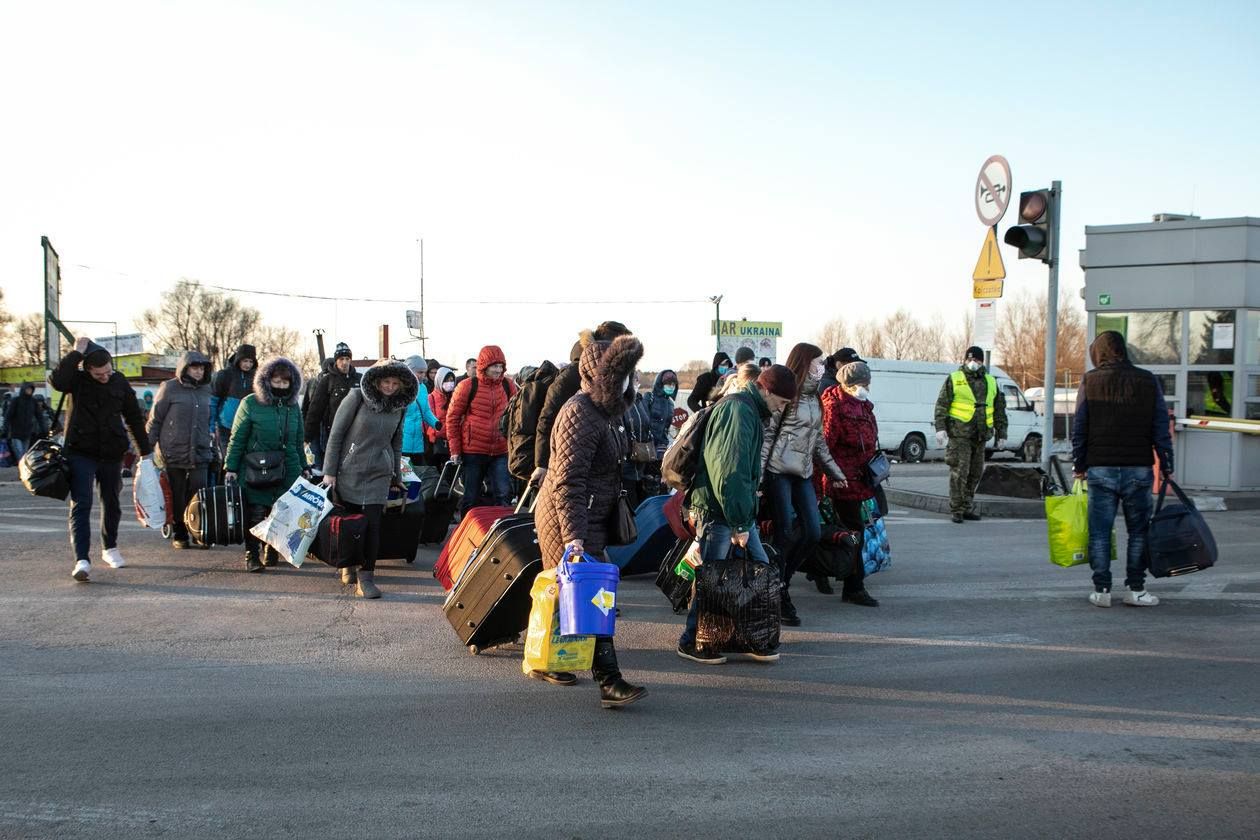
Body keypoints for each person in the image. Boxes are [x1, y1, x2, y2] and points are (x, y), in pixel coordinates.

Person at [534, 336, 648, 707]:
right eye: (626, 375)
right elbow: (568, 481)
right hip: (568, 520)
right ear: (605, 376)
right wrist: (575, 539)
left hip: (587, 517)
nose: (632, 381)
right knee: (593, 597)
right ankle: (609, 681)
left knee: (567, 596)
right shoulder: (580, 412)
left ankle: (545, 657)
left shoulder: (605, 413)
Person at [677, 364, 797, 665]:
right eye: (781, 402)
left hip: (730, 509)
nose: (781, 410)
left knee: (755, 568)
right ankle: (692, 640)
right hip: (722, 511)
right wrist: (740, 522)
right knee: (714, 577)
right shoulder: (739, 412)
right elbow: (729, 472)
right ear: (766, 389)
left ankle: (747, 635)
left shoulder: (744, 408)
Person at [1072, 331, 1173, 608]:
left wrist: (1078, 465)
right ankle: (1135, 589)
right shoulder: (1147, 380)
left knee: (1100, 533)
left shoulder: (1090, 380)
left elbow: (1080, 427)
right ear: (1123, 350)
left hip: (1100, 469)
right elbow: (1160, 427)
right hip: (1138, 469)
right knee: (1138, 532)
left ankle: (1102, 590)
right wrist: (1167, 464)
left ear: (1100, 353)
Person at [50, 338, 152, 582]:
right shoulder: (77, 381)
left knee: (112, 501)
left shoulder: (119, 382)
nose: (105, 376)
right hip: (80, 451)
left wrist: (145, 452)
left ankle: (110, 547)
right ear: (87, 369)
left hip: (111, 452)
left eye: (108, 371)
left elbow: (134, 418)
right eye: (99, 374)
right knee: (81, 504)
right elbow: (58, 381)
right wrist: (76, 353)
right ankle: (82, 559)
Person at [761, 343, 848, 625]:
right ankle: (777, 594)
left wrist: (835, 473)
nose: (822, 367)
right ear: (805, 363)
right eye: (818, 363)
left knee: (812, 531)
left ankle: (781, 582)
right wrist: (759, 477)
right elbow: (768, 437)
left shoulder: (816, 399)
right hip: (779, 471)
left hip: (804, 473)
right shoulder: (790, 395)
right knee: (784, 532)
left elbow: (819, 441)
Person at [321, 358, 416, 598]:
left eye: (395, 383)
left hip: (378, 474)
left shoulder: (400, 406)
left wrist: (396, 473)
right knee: (350, 522)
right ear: (376, 380)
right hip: (349, 470)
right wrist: (329, 472)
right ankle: (347, 564)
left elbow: (396, 441)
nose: (390, 387)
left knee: (373, 525)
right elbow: (336, 435)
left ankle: (367, 577)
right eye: (386, 381)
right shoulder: (355, 398)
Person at [223, 357, 310, 573]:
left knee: (280, 512)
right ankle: (252, 554)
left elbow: (298, 440)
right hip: (256, 467)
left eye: (285, 382)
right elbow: (238, 437)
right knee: (256, 512)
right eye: (276, 381)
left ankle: (271, 548)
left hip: (287, 467)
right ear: (266, 380)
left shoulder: (293, 407)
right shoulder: (250, 403)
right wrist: (231, 467)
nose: (280, 386)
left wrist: (304, 465)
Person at [532, 321, 632, 487]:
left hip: (599, 463)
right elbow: (548, 417)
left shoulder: (615, 375)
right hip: (567, 457)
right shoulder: (573, 373)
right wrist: (542, 464)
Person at [819, 361, 881, 606]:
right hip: (842, 481)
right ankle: (853, 586)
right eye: (862, 384)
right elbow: (824, 446)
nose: (866, 388)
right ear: (850, 384)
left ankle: (847, 580)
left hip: (861, 477)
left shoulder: (863, 405)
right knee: (853, 532)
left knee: (856, 531)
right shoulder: (834, 406)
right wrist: (833, 476)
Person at [145, 352, 214, 549]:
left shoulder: (207, 390)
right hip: (173, 450)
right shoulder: (169, 388)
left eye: (202, 368)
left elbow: (210, 419)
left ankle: (199, 532)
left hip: (200, 450)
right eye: (195, 368)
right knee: (177, 493)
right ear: (185, 368)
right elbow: (155, 420)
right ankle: (180, 533)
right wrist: (146, 450)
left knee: (199, 493)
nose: (199, 372)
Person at [934, 345, 1007, 524]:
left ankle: (967, 506)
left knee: (975, 473)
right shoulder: (955, 379)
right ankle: (957, 509)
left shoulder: (991, 382)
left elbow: (999, 410)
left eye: (976, 359)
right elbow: (942, 405)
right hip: (960, 434)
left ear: (982, 361)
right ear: (965, 360)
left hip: (980, 435)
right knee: (960, 471)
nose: (972, 362)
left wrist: (1002, 433)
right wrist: (940, 428)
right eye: (969, 359)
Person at [446, 346, 518, 516]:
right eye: (495, 366)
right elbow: (453, 418)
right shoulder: (467, 386)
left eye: (501, 366)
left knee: (503, 494)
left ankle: (501, 536)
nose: (498, 370)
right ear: (484, 366)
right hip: (473, 451)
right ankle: (465, 535)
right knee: (470, 497)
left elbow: (517, 416)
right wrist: (455, 450)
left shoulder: (508, 386)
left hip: (501, 450)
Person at [303, 343, 361, 471]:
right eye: (341, 359)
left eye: (347, 359)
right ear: (336, 361)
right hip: (333, 434)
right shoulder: (327, 381)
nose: (344, 362)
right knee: (332, 469)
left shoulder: (359, 380)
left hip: (357, 434)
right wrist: (307, 437)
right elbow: (315, 410)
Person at [210, 344, 257, 450]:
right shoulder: (224, 375)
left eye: (251, 361)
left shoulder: (256, 378)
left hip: (247, 427)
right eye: (245, 361)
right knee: (228, 459)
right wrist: (212, 427)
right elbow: (213, 402)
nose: (248, 365)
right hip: (225, 426)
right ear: (238, 359)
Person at [621, 370, 657, 508]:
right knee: (631, 504)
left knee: (643, 504)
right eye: (634, 380)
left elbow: (647, 425)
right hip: (627, 465)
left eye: (637, 379)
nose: (637, 382)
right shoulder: (621, 403)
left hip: (642, 462)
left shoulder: (640, 400)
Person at [401, 355, 441, 468]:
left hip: (418, 439)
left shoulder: (423, 388)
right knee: (405, 475)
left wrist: (435, 423)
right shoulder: (400, 388)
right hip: (402, 440)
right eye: (420, 372)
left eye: (424, 372)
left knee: (419, 474)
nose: (423, 376)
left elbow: (425, 410)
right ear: (410, 370)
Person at [644, 369, 679, 455]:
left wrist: (664, 443)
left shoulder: (671, 404)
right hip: (647, 444)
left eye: (673, 385)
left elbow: (666, 428)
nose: (671, 387)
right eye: (668, 384)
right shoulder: (649, 397)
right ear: (661, 384)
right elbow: (643, 421)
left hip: (661, 447)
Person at [426, 366, 456, 466]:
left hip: (454, 441)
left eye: (452, 380)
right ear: (440, 380)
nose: (450, 383)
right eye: (446, 380)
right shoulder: (431, 397)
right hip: (438, 441)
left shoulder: (456, 397)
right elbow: (430, 421)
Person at [4, 382, 40, 460]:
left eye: (31, 389)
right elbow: (8, 416)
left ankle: (23, 470)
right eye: (27, 389)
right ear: (23, 389)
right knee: (20, 453)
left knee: (25, 454)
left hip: (27, 432)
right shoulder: (16, 400)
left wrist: (44, 428)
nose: (29, 391)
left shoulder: (33, 401)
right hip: (16, 432)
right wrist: (5, 429)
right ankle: (22, 469)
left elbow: (39, 415)